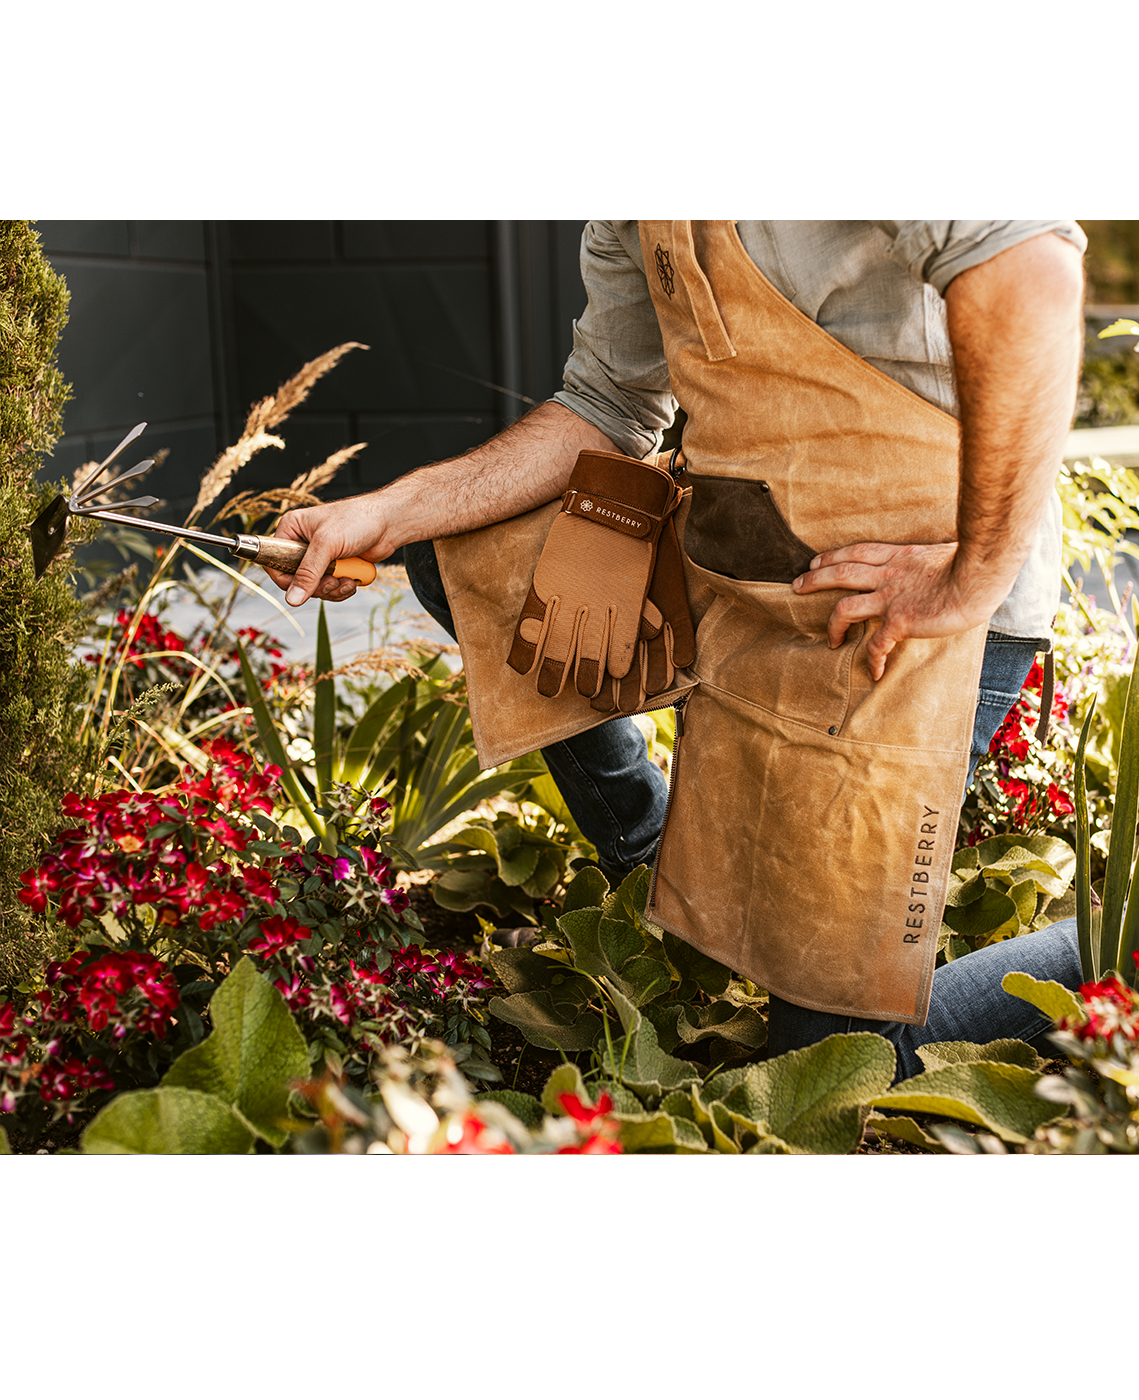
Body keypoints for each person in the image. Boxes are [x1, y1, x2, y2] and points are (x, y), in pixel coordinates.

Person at [267, 222, 1087, 1081]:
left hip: (902, 599)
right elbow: (607, 406)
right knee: (469, 559)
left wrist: (972, 573)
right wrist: (388, 515)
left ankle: (1128, 941)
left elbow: (1030, 275)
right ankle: (652, 858)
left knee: (828, 1070)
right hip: (745, 549)